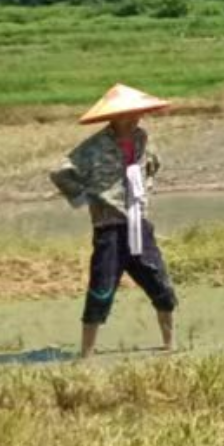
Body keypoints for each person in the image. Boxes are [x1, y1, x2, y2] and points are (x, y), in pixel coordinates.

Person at [50, 83, 178, 359]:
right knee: (102, 287)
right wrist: (87, 196)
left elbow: (154, 165)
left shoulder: (143, 139)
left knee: (160, 284)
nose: (135, 119)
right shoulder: (94, 147)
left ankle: (169, 346)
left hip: (138, 222)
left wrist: (146, 189)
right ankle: (87, 353)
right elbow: (60, 172)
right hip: (109, 226)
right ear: (115, 117)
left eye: (137, 114)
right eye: (128, 115)